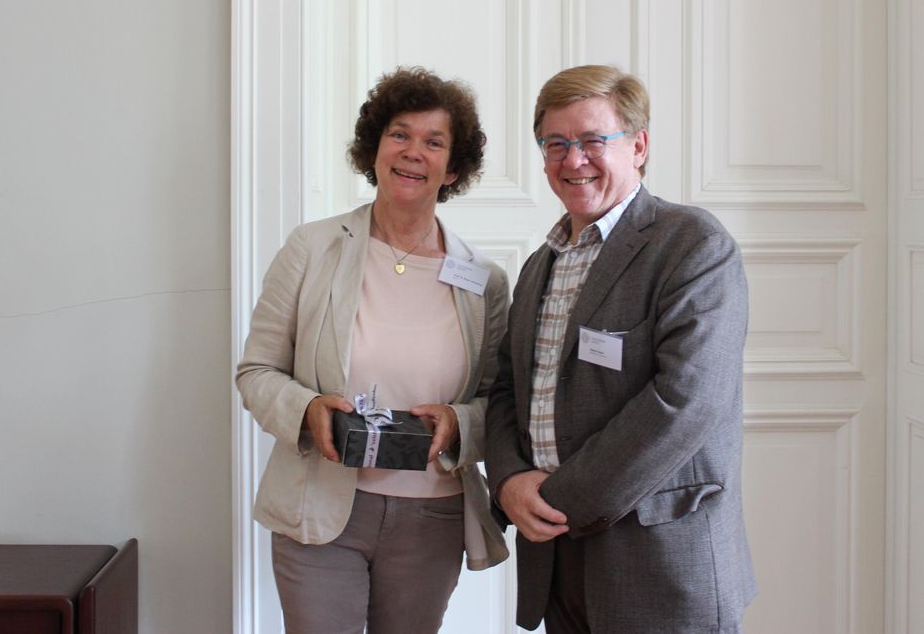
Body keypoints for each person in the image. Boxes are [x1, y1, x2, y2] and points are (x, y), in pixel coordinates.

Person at [236, 67, 509, 633]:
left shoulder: (484, 281)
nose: (413, 153)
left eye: (434, 142)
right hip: (321, 507)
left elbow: (498, 403)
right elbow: (257, 372)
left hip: (432, 515)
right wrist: (307, 411)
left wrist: (459, 423)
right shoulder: (312, 248)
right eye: (400, 134)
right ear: (375, 147)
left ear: (453, 167)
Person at [484, 64, 755, 633]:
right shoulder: (541, 264)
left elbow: (688, 401)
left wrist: (558, 499)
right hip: (556, 561)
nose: (572, 159)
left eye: (591, 140)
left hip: (658, 557)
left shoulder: (692, 245)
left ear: (639, 146)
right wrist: (509, 483)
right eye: (555, 143)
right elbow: (507, 386)